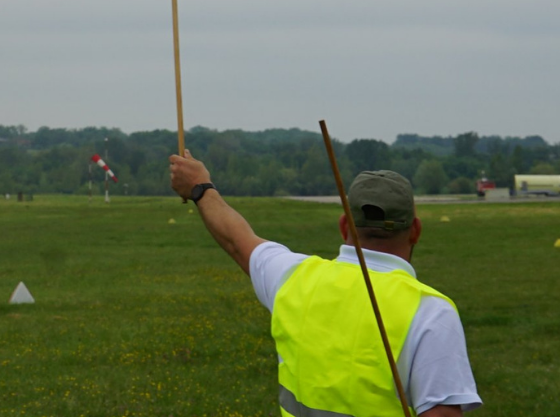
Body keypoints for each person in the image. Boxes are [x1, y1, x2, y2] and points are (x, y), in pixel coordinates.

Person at [169, 150, 481, 417]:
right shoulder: (431, 313)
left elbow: (238, 240)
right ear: (415, 231)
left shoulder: (292, 277)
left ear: (344, 224)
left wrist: (200, 188)